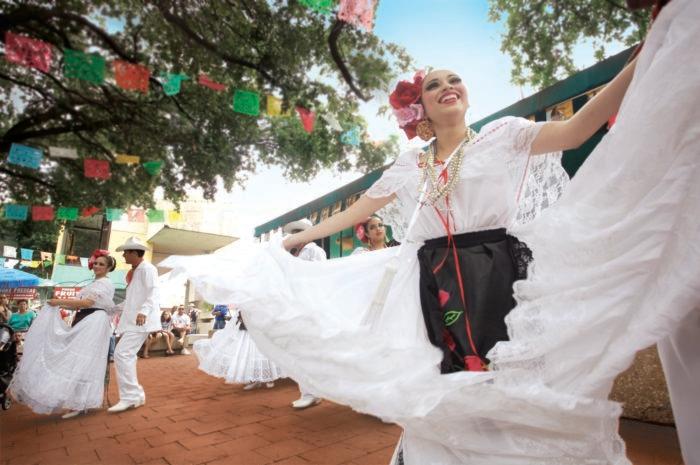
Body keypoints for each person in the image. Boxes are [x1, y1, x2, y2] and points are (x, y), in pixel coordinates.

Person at [164, 10, 687, 460]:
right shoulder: (408, 166)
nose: (445, 87)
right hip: (434, 280)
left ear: (466, 93)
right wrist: (285, 244)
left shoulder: (506, 136)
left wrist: (637, 64)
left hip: (501, 270)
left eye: (452, 78)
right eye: (433, 84)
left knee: (513, 383)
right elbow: (355, 213)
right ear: (421, 110)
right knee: (448, 385)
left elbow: (577, 129)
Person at [9, 251, 117, 419]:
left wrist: (59, 301)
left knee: (80, 359)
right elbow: (78, 306)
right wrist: (58, 305)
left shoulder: (103, 283)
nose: (97, 266)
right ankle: (79, 402)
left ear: (109, 268)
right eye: (96, 263)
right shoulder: (94, 283)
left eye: (102, 264)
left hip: (94, 321)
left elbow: (87, 303)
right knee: (79, 359)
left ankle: (80, 403)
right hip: (86, 317)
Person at [108, 236, 160, 413]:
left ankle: (131, 397)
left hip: (141, 321)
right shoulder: (136, 271)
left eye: (126, 252)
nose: (123, 255)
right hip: (134, 320)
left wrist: (144, 311)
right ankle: (135, 395)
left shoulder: (147, 269)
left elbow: (154, 292)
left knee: (122, 354)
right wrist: (114, 308)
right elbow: (132, 300)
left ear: (133, 252)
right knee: (125, 355)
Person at [283, 218, 326, 410]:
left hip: (311, 306)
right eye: (294, 231)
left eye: (300, 231)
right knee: (300, 351)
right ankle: (309, 391)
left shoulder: (314, 251)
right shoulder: (293, 253)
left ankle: (313, 392)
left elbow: (319, 278)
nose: (296, 234)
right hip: (296, 306)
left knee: (310, 351)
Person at [193, 309, 283, 390]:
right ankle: (253, 380)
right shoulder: (241, 307)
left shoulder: (260, 305)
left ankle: (269, 379)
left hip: (258, 334)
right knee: (247, 357)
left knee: (263, 355)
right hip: (245, 333)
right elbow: (235, 321)